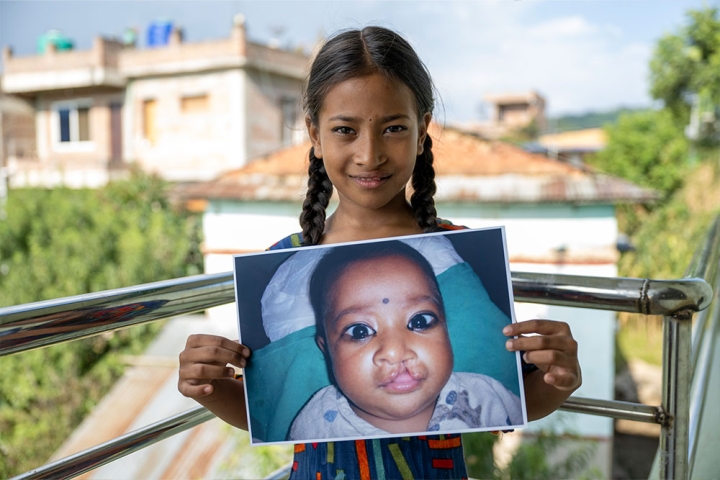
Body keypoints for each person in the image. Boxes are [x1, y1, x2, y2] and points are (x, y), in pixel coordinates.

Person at [178, 26, 582, 479]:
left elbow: (513, 404)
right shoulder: (283, 266)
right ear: (314, 133)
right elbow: (267, 415)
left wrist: (558, 378)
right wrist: (209, 388)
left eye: (393, 128)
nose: (369, 155)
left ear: (422, 129)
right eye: (345, 130)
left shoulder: (456, 252)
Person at [288, 240, 522, 441]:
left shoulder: (486, 396)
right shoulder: (315, 425)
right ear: (326, 350)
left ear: (446, 328)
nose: (394, 351)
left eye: (420, 321)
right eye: (360, 331)